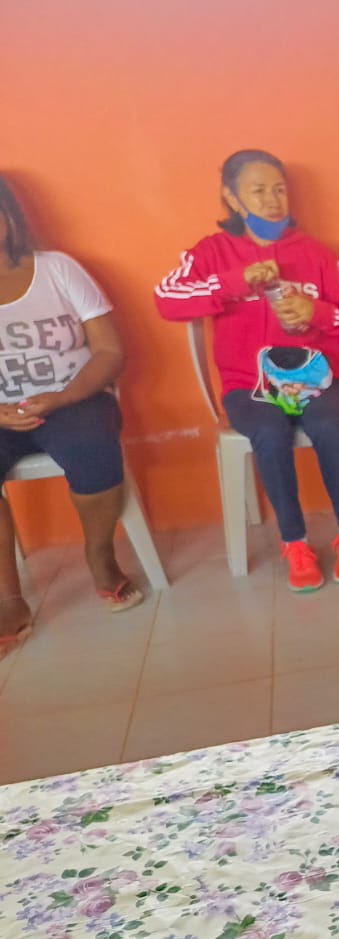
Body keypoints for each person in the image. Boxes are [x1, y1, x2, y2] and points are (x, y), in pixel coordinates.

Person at [154, 149, 339, 592]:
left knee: (327, 426)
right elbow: (167, 300)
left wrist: (316, 311)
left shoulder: (316, 255)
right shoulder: (211, 253)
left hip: (322, 379)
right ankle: (295, 543)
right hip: (249, 386)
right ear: (233, 199)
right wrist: (236, 283)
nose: (272, 201)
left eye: (279, 190)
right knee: (270, 433)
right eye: (258, 191)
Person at [0, 175, 142, 658]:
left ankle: (100, 555)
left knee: (92, 448)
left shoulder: (57, 270)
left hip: (75, 398)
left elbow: (110, 351)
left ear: (8, 216)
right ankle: (7, 596)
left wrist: (61, 397)